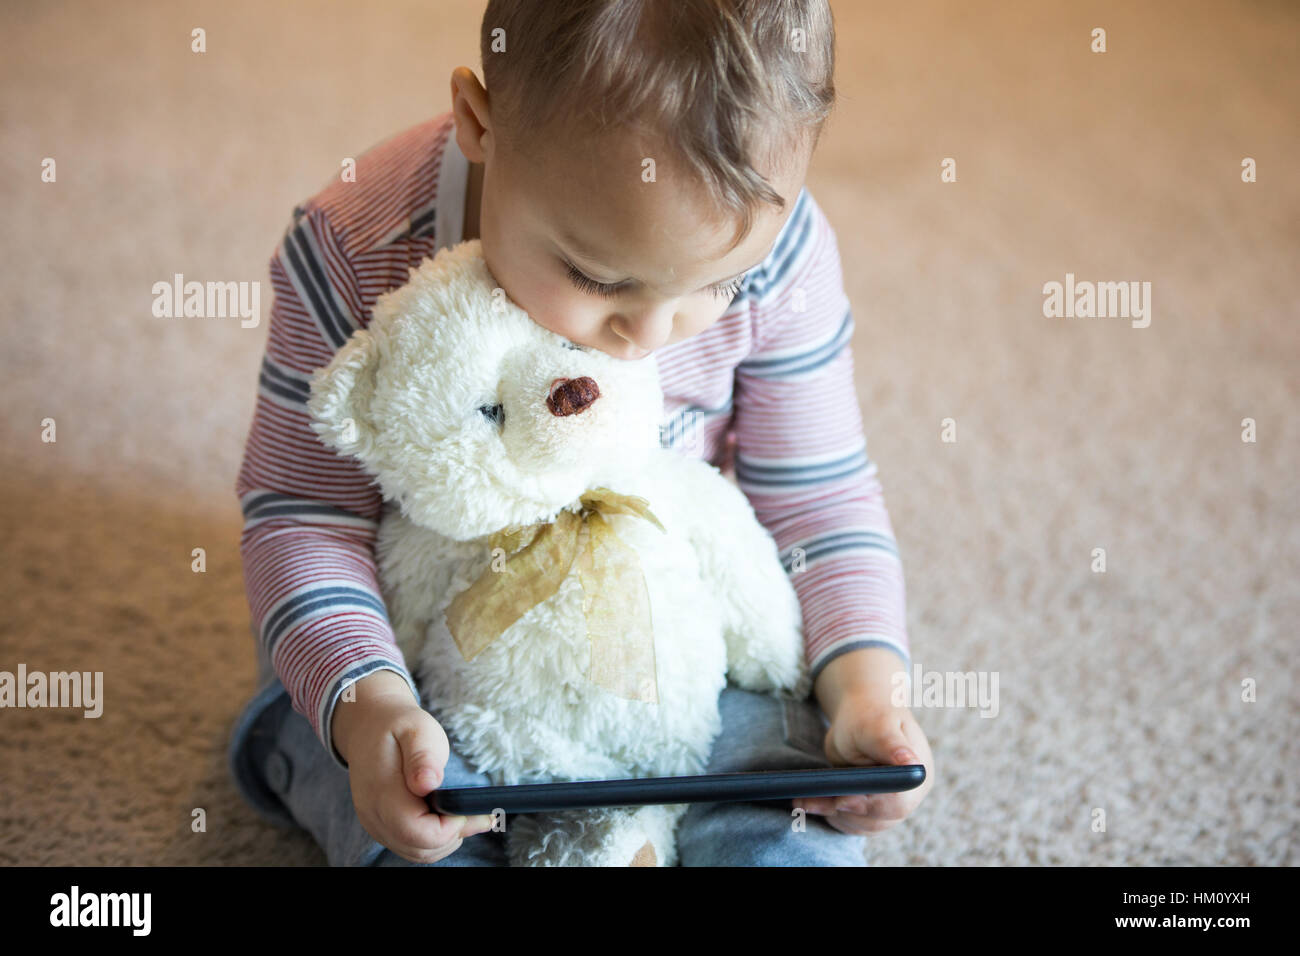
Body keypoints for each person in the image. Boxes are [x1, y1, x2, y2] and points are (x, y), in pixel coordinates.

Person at [227, 0, 933, 866]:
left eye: (719, 284)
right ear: (481, 123)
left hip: (674, 642)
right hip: (422, 655)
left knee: (785, 812)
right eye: (599, 276)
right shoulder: (350, 245)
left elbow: (819, 498)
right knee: (406, 809)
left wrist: (863, 692)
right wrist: (365, 703)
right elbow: (304, 513)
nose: (650, 334)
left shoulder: (783, 259)